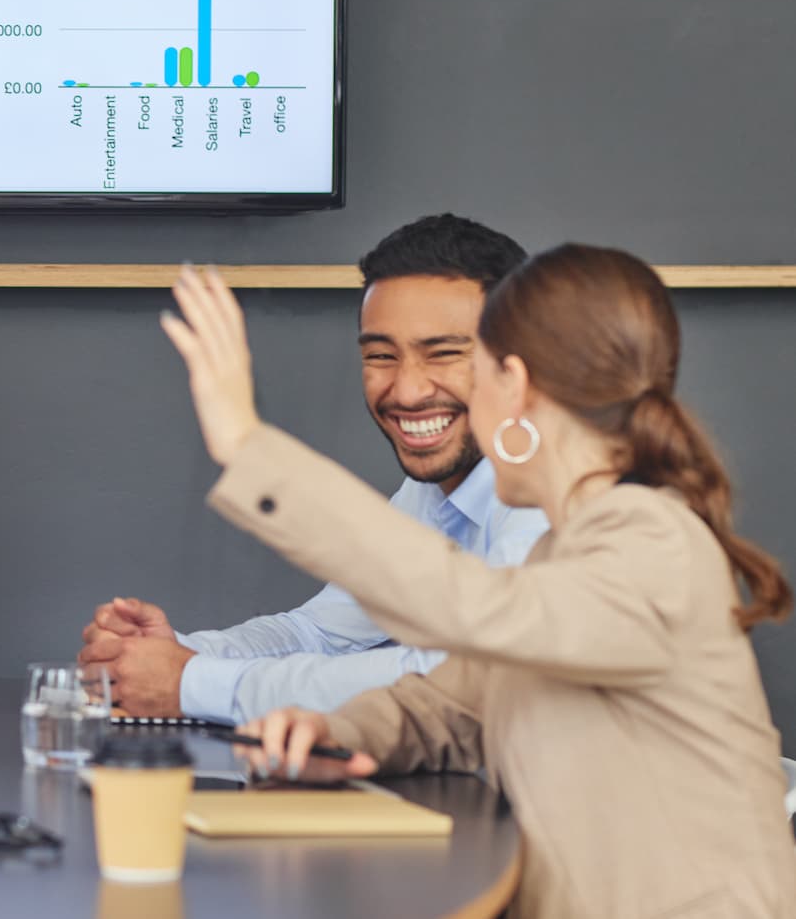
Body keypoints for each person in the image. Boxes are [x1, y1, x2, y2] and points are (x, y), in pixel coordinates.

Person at [163, 249, 796, 916]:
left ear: (514, 385)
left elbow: (473, 608)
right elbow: (453, 702)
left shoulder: (655, 543)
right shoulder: (567, 549)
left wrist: (247, 445)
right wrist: (333, 734)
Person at [79, 215, 549, 720]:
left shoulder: (560, 499)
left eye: (445, 354)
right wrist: (174, 655)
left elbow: (453, 677)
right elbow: (323, 631)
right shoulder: (435, 487)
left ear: (517, 363)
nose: (408, 390)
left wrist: (190, 681)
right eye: (381, 355)